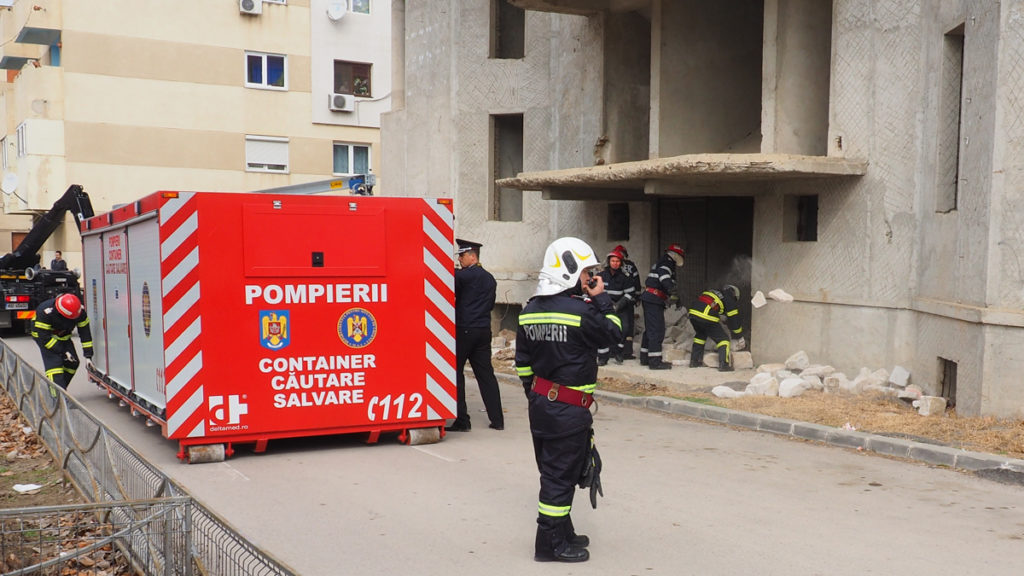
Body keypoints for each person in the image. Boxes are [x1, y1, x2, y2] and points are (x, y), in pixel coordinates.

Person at [515, 237, 621, 563]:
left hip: (542, 406)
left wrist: (539, 398)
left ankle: (564, 531)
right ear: (569, 270)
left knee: (556, 471)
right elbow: (614, 334)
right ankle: (549, 545)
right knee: (560, 476)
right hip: (569, 409)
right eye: (586, 272)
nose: (589, 278)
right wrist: (601, 298)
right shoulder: (582, 312)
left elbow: (523, 365)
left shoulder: (528, 311)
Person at [447, 239, 504, 432]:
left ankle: (462, 421)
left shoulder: (463, 276)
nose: (459, 259)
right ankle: (497, 420)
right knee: (486, 375)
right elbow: (490, 305)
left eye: (462, 256)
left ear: (472, 256)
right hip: (483, 330)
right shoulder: (490, 278)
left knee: (456, 373)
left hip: (465, 329)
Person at [32, 293, 93, 394]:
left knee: (73, 363)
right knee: (55, 369)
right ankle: (57, 400)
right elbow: (44, 338)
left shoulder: (79, 312)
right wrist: (64, 352)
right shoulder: (45, 312)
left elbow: (85, 333)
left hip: (64, 337)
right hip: (45, 338)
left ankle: (61, 390)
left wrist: (88, 356)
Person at [639, 244, 685, 370]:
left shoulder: (661, 261)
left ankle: (645, 357)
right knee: (657, 330)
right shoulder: (667, 262)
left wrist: (675, 296)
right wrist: (672, 291)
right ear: (676, 255)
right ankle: (655, 362)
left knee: (650, 329)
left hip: (650, 298)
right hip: (654, 299)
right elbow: (664, 277)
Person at [688, 284, 746, 371]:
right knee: (723, 339)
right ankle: (724, 365)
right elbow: (734, 320)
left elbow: (713, 305)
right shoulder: (729, 297)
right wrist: (738, 335)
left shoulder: (715, 292)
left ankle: (694, 361)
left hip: (693, 314)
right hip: (706, 316)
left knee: (700, 336)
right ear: (734, 294)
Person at [597, 247, 636, 365]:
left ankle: (618, 352)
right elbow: (596, 292)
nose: (615, 263)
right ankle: (603, 358)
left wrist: (618, 305)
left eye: (618, 261)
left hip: (620, 307)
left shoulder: (626, 277)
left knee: (624, 329)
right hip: (604, 307)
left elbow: (630, 294)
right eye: (613, 261)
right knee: (603, 330)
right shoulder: (601, 276)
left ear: (621, 263)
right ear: (609, 262)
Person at [611, 244, 641, 359]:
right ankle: (626, 352)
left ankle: (613, 351)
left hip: (615, 300)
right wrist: (637, 297)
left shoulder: (611, 266)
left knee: (614, 325)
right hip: (628, 299)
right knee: (627, 326)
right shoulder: (631, 265)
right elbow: (636, 282)